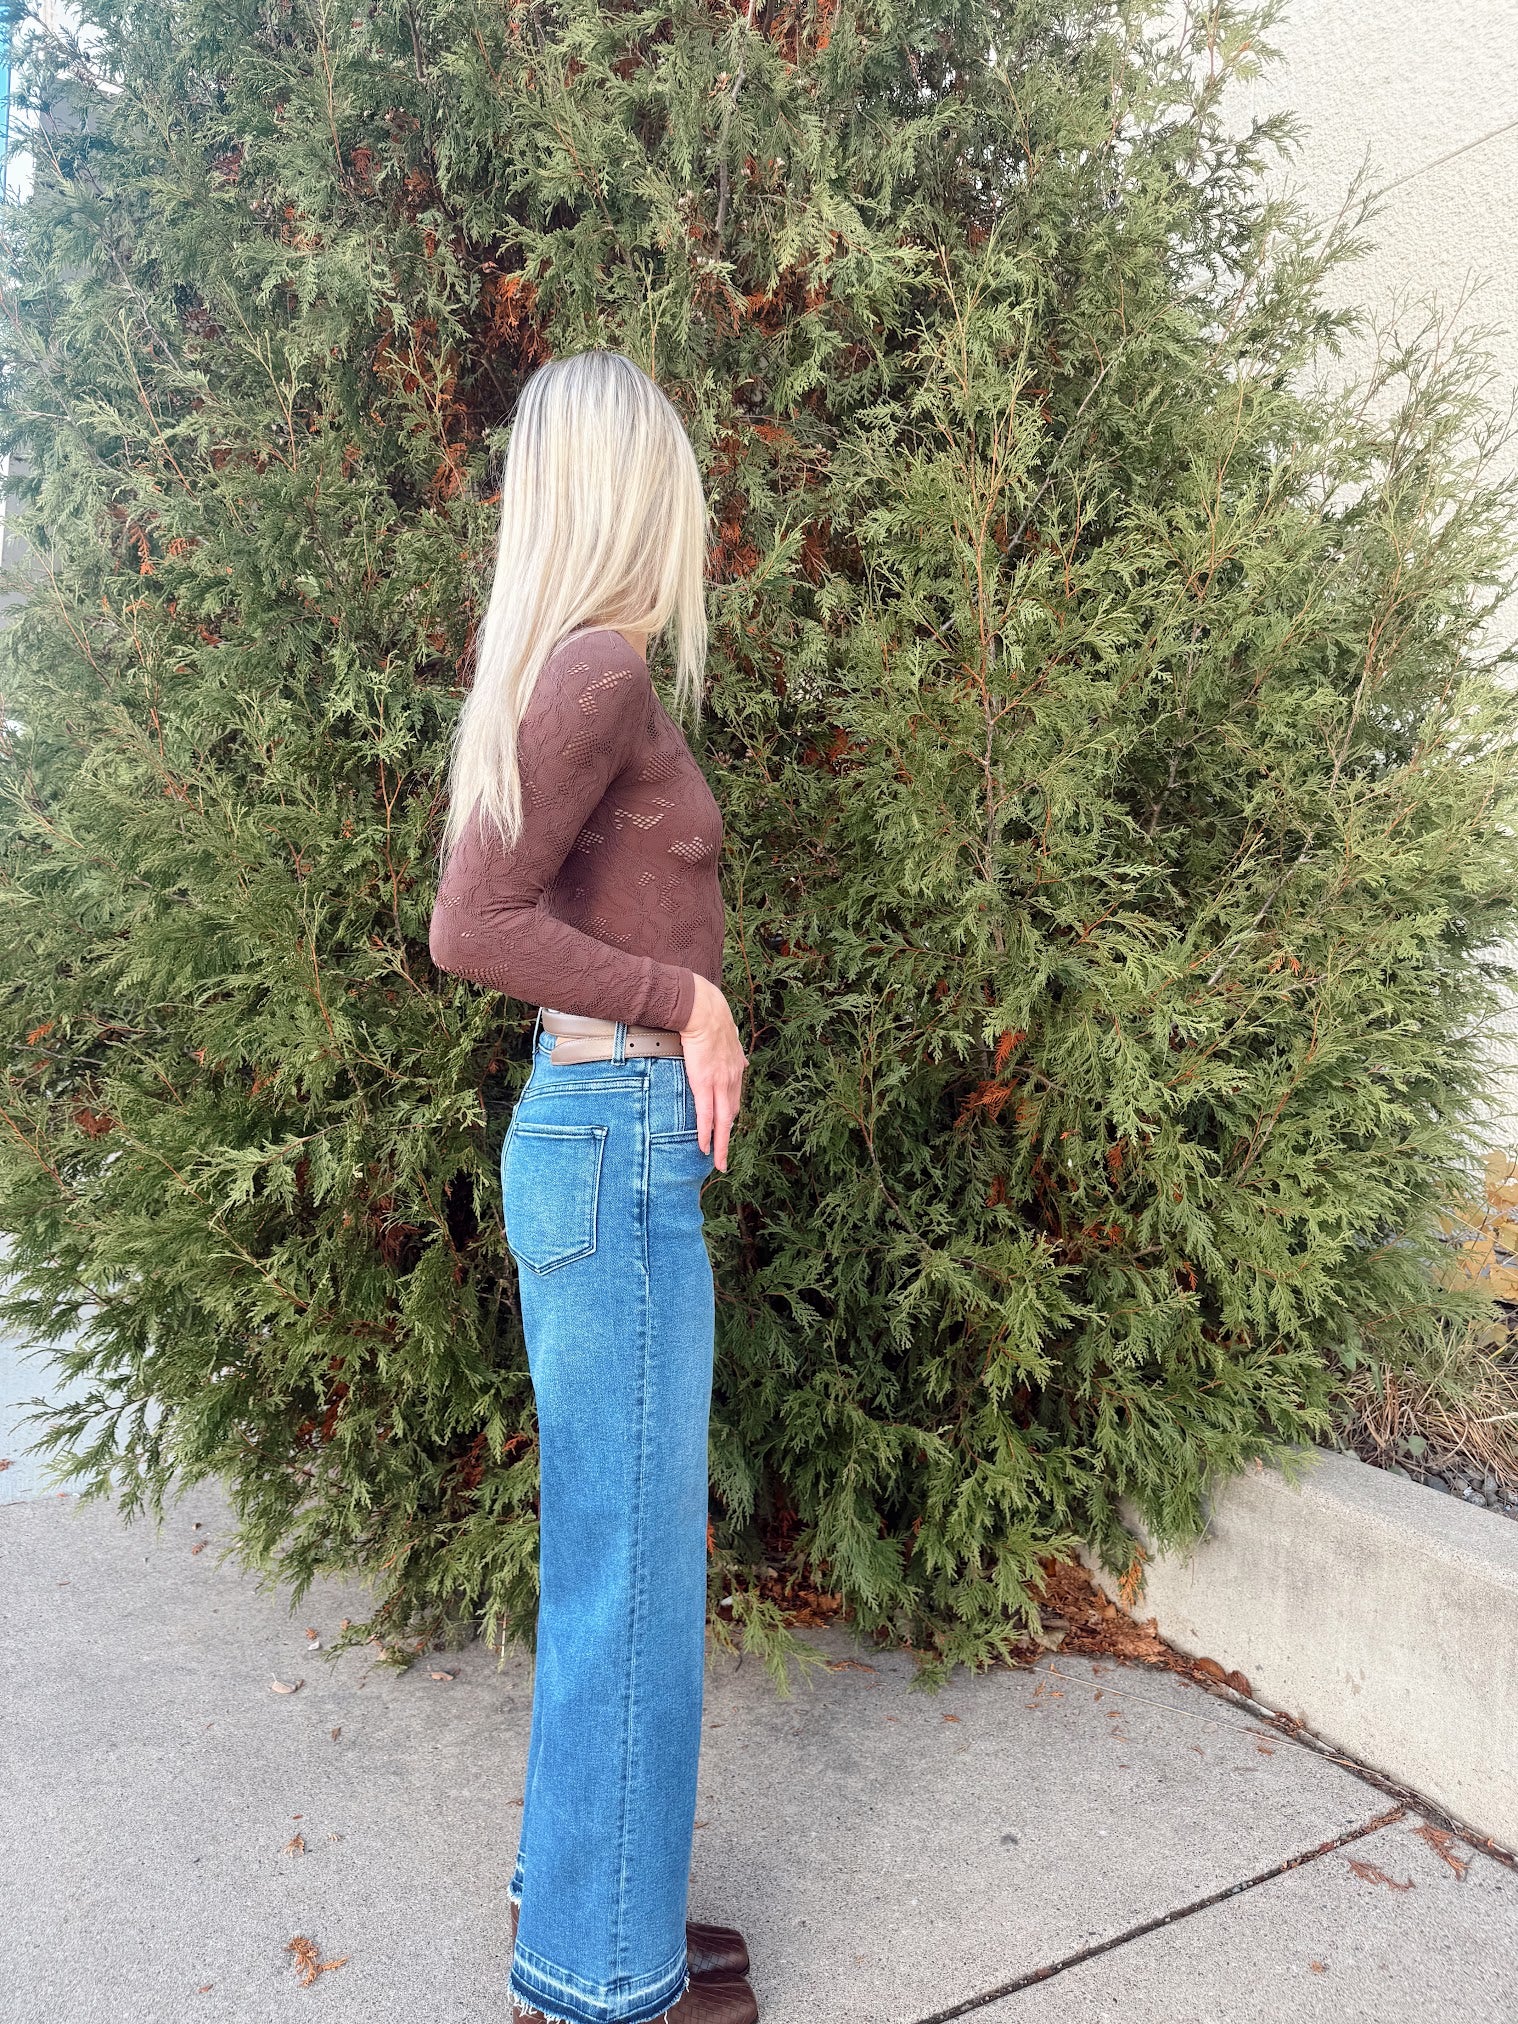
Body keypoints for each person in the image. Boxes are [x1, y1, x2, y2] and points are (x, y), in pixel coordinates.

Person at [428, 349, 755, 2024]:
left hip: (607, 1142)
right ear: (638, 491)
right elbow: (471, 927)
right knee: (630, 1578)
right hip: (613, 1142)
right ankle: (598, 1979)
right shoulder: (602, 669)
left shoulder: (578, 668)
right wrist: (684, 998)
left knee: (609, 1560)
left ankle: (590, 1903)